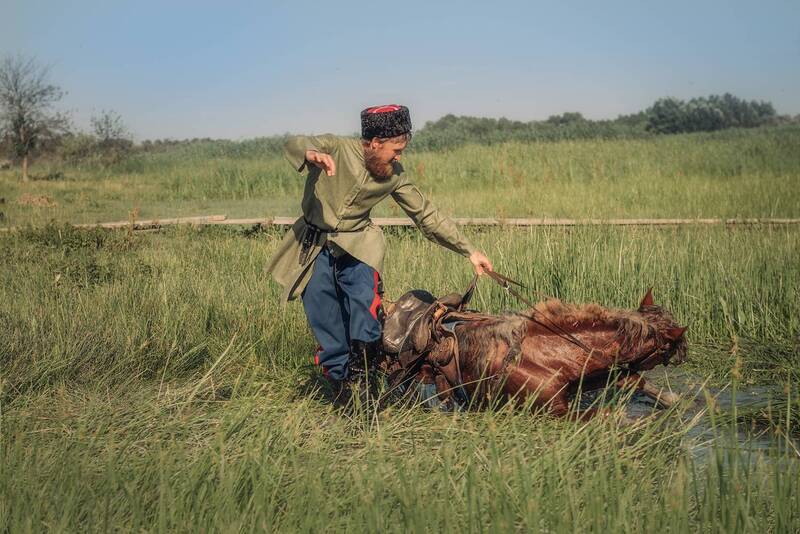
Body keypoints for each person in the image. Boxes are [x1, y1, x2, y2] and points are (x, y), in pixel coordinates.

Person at [267, 105, 492, 398]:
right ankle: (341, 387)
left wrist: (469, 251)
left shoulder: (395, 175)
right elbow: (297, 143)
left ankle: (364, 383)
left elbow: (427, 215)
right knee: (325, 318)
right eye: (395, 149)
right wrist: (310, 154)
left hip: (360, 246)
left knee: (365, 307)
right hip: (314, 245)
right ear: (375, 143)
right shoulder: (336, 148)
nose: (399, 156)